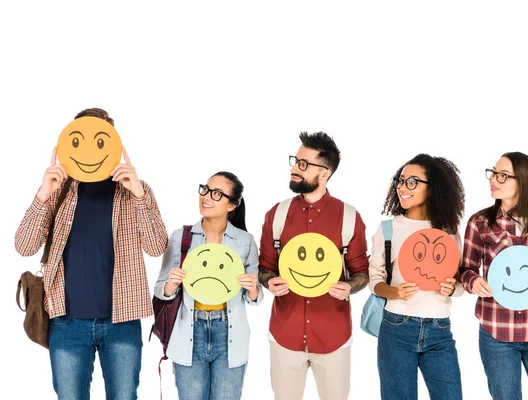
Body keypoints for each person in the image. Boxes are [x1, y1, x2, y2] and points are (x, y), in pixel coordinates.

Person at [14, 108, 168, 399]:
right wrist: (43, 194)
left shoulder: (134, 191)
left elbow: (157, 246)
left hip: (122, 322)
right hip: (66, 323)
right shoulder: (59, 191)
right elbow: (23, 246)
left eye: (99, 140)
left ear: (113, 144)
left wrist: (138, 194)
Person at [258, 131, 369, 400]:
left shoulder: (349, 217)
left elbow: (361, 274)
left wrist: (348, 287)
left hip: (333, 336)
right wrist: (268, 280)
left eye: (304, 164)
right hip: (285, 333)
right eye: (295, 161)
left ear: (325, 173)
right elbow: (265, 267)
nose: (295, 169)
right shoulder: (277, 214)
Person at [459, 152, 528, 400]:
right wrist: (473, 281)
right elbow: (465, 270)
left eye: (502, 175)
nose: (493, 180)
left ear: (522, 180)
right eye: (493, 173)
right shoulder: (480, 222)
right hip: (497, 334)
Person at [154, 171, 263, 400]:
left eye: (216, 194)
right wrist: (170, 285)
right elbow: (160, 288)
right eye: (205, 189)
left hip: (229, 332)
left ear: (232, 205)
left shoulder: (245, 241)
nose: (206, 197)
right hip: (189, 331)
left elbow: (255, 298)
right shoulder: (180, 238)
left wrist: (253, 288)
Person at [369, 154, 465, 400]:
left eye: (412, 182)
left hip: (439, 331)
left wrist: (452, 289)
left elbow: (462, 282)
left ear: (433, 188)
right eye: (400, 181)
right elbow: (375, 280)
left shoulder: (448, 232)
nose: (402, 187)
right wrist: (395, 291)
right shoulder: (389, 229)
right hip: (396, 328)